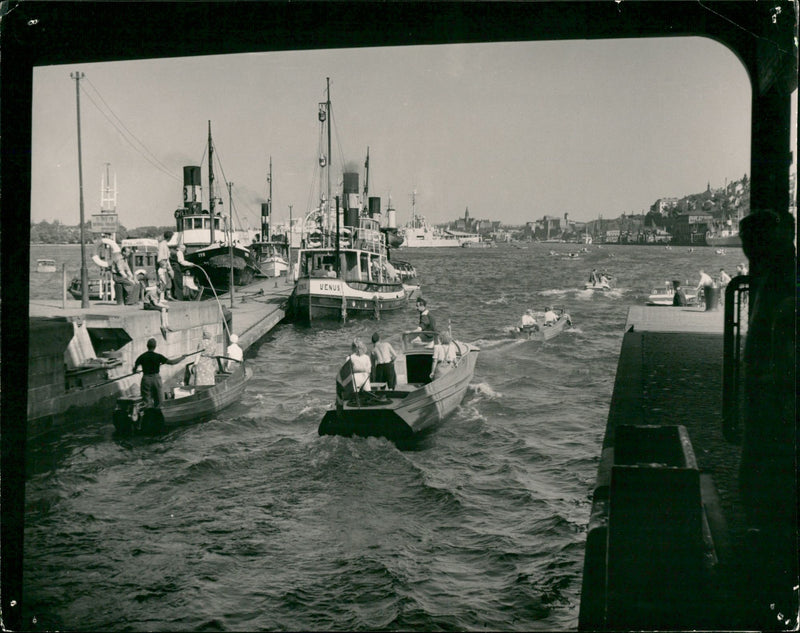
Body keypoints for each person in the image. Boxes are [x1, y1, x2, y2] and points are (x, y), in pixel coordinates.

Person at [133, 337, 188, 409]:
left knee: (147, 401)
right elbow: (172, 362)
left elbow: (134, 368)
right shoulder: (158, 356)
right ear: (155, 346)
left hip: (146, 379)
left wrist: (135, 371)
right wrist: (182, 357)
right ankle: (158, 415)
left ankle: (148, 416)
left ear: (147, 346)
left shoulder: (142, 356)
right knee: (159, 400)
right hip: (156, 379)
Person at [157, 231, 175, 299]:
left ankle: (168, 295)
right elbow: (160, 256)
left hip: (165, 263)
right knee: (163, 281)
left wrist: (169, 267)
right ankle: (162, 297)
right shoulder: (162, 244)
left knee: (168, 280)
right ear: (169, 237)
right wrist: (163, 264)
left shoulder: (164, 244)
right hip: (162, 263)